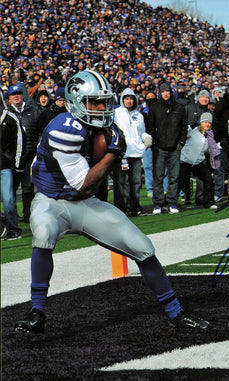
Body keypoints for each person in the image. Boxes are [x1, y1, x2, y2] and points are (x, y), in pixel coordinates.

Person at [14, 70, 210, 334]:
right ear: (75, 101)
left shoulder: (105, 128)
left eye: (104, 102)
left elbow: (86, 190)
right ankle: (36, 312)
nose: (101, 108)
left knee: (142, 246)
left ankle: (176, 313)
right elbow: (84, 182)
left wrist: (111, 149)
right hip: (53, 201)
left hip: (84, 203)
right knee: (44, 233)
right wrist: (111, 155)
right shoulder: (64, 128)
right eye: (94, 102)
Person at [146, 82, 188, 215]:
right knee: (158, 177)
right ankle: (158, 203)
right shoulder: (154, 107)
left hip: (175, 148)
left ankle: (172, 203)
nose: (165, 93)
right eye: (163, 91)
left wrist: (181, 143)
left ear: (171, 92)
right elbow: (150, 127)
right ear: (160, 93)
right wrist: (153, 144)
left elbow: (183, 127)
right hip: (159, 148)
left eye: (168, 91)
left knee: (174, 177)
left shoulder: (180, 108)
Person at [114, 88, 153, 216]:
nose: (129, 101)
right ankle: (120, 209)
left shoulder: (139, 115)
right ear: (122, 99)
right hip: (122, 154)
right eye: (126, 98)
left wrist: (147, 138)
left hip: (136, 153)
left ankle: (135, 208)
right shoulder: (116, 113)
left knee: (135, 182)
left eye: (131, 98)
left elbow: (141, 133)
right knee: (120, 183)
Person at [7, 84, 41, 223]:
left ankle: (28, 215)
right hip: (11, 158)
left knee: (28, 188)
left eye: (19, 94)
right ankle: (12, 218)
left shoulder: (33, 111)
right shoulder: (5, 113)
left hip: (29, 155)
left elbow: (40, 132)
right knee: (11, 189)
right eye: (13, 94)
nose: (16, 96)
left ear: (22, 95)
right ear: (9, 98)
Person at [179, 112, 219, 209]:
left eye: (209, 123)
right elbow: (183, 131)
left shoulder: (209, 135)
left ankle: (209, 202)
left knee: (208, 179)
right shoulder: (193, 131)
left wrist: (218, 146)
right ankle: (170, 202)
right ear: (201, 122)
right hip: (186, 161)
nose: (207, 124)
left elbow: (209, 150)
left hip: (198, 162)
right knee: (181, 182)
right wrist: (189, 126)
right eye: (205, 122)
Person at [1, 91, 26, 240]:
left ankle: (13, 229)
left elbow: (19, 142)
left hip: (4, 166)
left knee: (9, 199)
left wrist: (17, 165)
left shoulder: (10, 118)